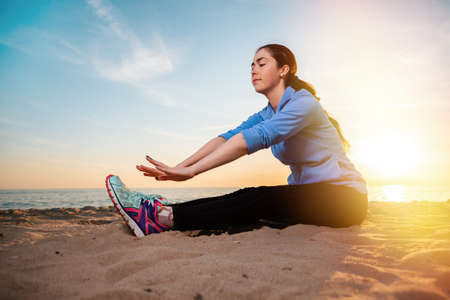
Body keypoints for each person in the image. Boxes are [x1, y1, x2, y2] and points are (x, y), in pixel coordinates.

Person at [105, 43, 368, 237]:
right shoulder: (268, 112)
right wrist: (179, 168)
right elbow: (227, 138)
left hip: (344, 198)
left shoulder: (303, 104)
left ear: (283, 70)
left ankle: (164, 218)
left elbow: (255, 139)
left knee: (258, 198)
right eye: (252, 65)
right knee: (250, 197)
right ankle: (161, 211)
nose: (254, 69)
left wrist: (192, 172)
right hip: (312, 196)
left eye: (262, 63)